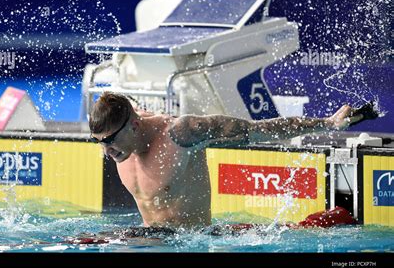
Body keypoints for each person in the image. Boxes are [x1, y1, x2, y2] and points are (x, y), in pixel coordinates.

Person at [89, 92, 376, 229]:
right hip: (156, 241)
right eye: (99, 143)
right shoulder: (124, 131)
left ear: (135, 126)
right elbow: (121, 103)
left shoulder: (181, 134)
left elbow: (259, 131)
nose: (106, 152)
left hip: (192, 242)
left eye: (110, 141)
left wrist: (326, 123)